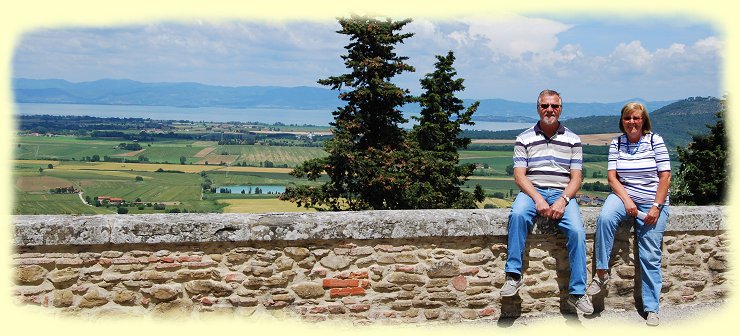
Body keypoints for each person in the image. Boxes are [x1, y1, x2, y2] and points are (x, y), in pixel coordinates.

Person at [499, 89, 593, 314]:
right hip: (533, 191)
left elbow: (576, 177)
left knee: (578, 232)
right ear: (538, 108)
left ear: (561, 109)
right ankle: (513, 275)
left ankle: (578, 292)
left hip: (563, 193)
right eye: (545, 106)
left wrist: (563, 200)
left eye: (554, 106)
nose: (550, 110)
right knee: (518, 215)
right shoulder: (524, 138)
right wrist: (538, 199)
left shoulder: (573, 139)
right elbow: (520, 176)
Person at [587, 102, 671, 327]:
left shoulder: (655, 141)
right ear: (622, 121)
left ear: (644, 121)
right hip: (624, 196)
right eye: (627, 118)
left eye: (636, 118)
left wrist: (656, 207)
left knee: (650, 255)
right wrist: (627, 201)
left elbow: (665, 176)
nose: (632, 122)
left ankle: (652, 308)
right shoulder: (617, 143)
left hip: (653, 201)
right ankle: (602, 273)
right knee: (605, 218)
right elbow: (612, 177)